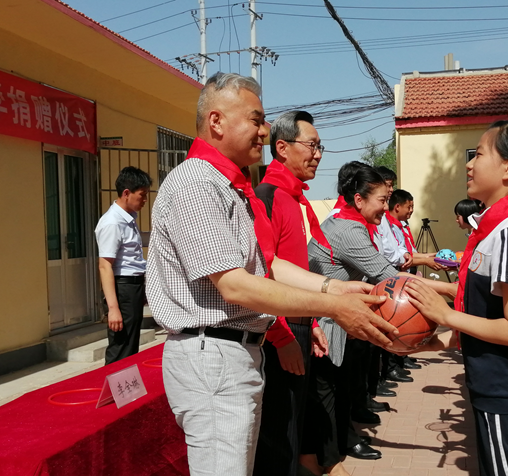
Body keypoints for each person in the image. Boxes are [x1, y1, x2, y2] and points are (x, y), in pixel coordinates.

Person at [145, 72, 394, 476]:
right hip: (213, 352)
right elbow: (234, 284)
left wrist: (336, 287)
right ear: (216, 122)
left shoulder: (229, 187)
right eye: (256, 120)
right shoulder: (196, 184)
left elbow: (267, 265)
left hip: (236, 351)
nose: (264, 130)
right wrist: (334, 305)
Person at [405, 118, 508, 476]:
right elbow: (484, 320)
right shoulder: (495, 227)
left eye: (478, 154)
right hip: (499, 392)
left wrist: (446, 314)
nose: (469, 164)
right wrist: (414, 342)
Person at [303, 165, 397, 476]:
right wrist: (453, 290)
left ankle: (339, 446)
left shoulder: (352, 222)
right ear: (358, 199)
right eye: (382, 200)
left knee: (341, 389)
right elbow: (390, 276)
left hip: (339, 319)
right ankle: (329, 461)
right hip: (323, 324)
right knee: (328, 393)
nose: (387, 207)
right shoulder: (348, 229)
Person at [252, 110, 331, 476]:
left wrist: (310, 322)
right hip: (276, 329)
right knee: (278, 432)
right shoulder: (266, 196)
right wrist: (281, 333)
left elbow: (297, 269)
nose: (317, 154)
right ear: (281, 148)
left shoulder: (295, 199)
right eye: (311, 145)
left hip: (297, 324)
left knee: (294, 422)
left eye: (320, 147)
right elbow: (264, 272)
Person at [95, 166, 152, 365]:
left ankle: (126, 392)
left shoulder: (128, 220)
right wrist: (113, 308)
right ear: (126, 193)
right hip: (122, 288)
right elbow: (105, 265)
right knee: (121, 346)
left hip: (133, 287)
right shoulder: (112, 222)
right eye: (142, 195)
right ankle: (112, 392)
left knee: (130, 345)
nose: (145, 200)